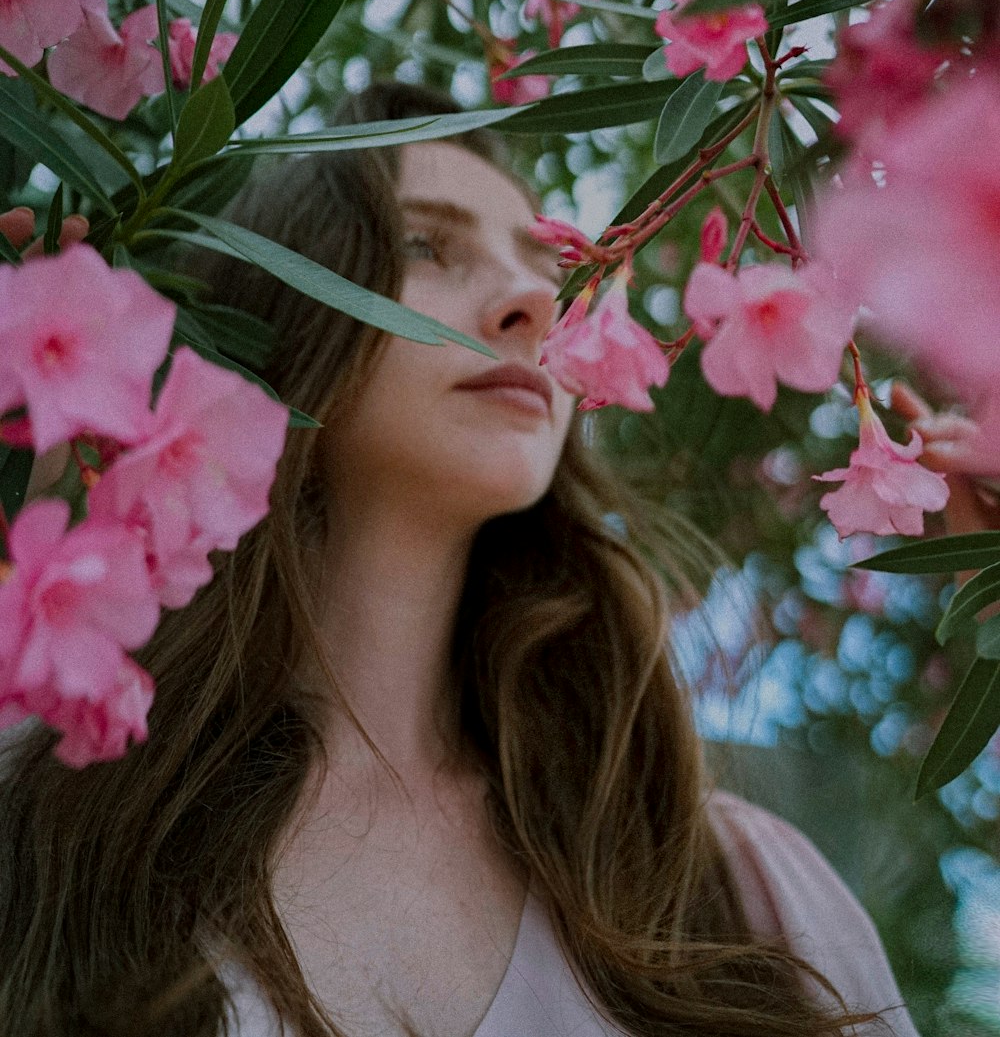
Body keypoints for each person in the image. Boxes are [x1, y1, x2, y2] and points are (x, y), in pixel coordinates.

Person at [0, 80, 926, 1037]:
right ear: (277, 315)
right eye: (425, 243)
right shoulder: (54, 831)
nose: (537, 297)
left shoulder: (739, 887)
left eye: (553, 264)